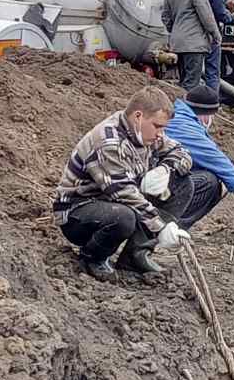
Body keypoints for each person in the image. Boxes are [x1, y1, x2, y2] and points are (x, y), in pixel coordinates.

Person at [52, 86, 196, 280]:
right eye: (157, 126)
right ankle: (92, 258)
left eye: (163, 128)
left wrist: (166, 169)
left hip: (114, 202)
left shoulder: (145, 133)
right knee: (123, 217)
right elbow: (123, 193)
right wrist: (161, 226)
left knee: (182, 184)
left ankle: (133, 257)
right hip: (78, 211)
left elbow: (182, 153)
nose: (161, 134)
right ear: (138, 116)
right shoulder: (109, 141)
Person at [162, 85, 234, 216]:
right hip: (156, 185)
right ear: (205, 114)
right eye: (212, 115)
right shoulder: (182, 125)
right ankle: (170, 225)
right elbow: (212, 156)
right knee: (209, 181)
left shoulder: (180, 117)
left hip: (161, 179)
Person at [162, 0, 222, 91]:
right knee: (192, 84)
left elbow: (165, 17)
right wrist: (216, 35)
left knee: (183, 82)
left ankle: (181, 108)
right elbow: (206, 16)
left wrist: (175, 30)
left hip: (177, 44)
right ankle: (189, 110)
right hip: (194, 45)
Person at [202, 0, 234, 92]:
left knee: (196, 72)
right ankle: (212, 102)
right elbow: (221, 15)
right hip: (211, 35)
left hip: (196, 36)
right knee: (212, 71)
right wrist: (232, 16)